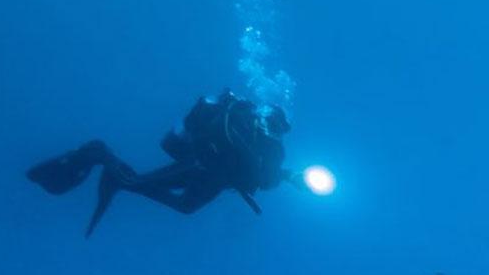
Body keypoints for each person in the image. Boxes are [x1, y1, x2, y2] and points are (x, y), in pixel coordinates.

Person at [26, 90, 291, 236]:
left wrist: (287, 176)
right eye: (278, 123)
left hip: (211, 176)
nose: (278, 129)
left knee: (184, 206)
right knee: (136, 182)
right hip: (200, 165)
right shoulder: (248, 126)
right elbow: (257, 174)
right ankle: (101, 153)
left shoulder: (264, 145)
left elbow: (262, 180)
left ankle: (113, 171)